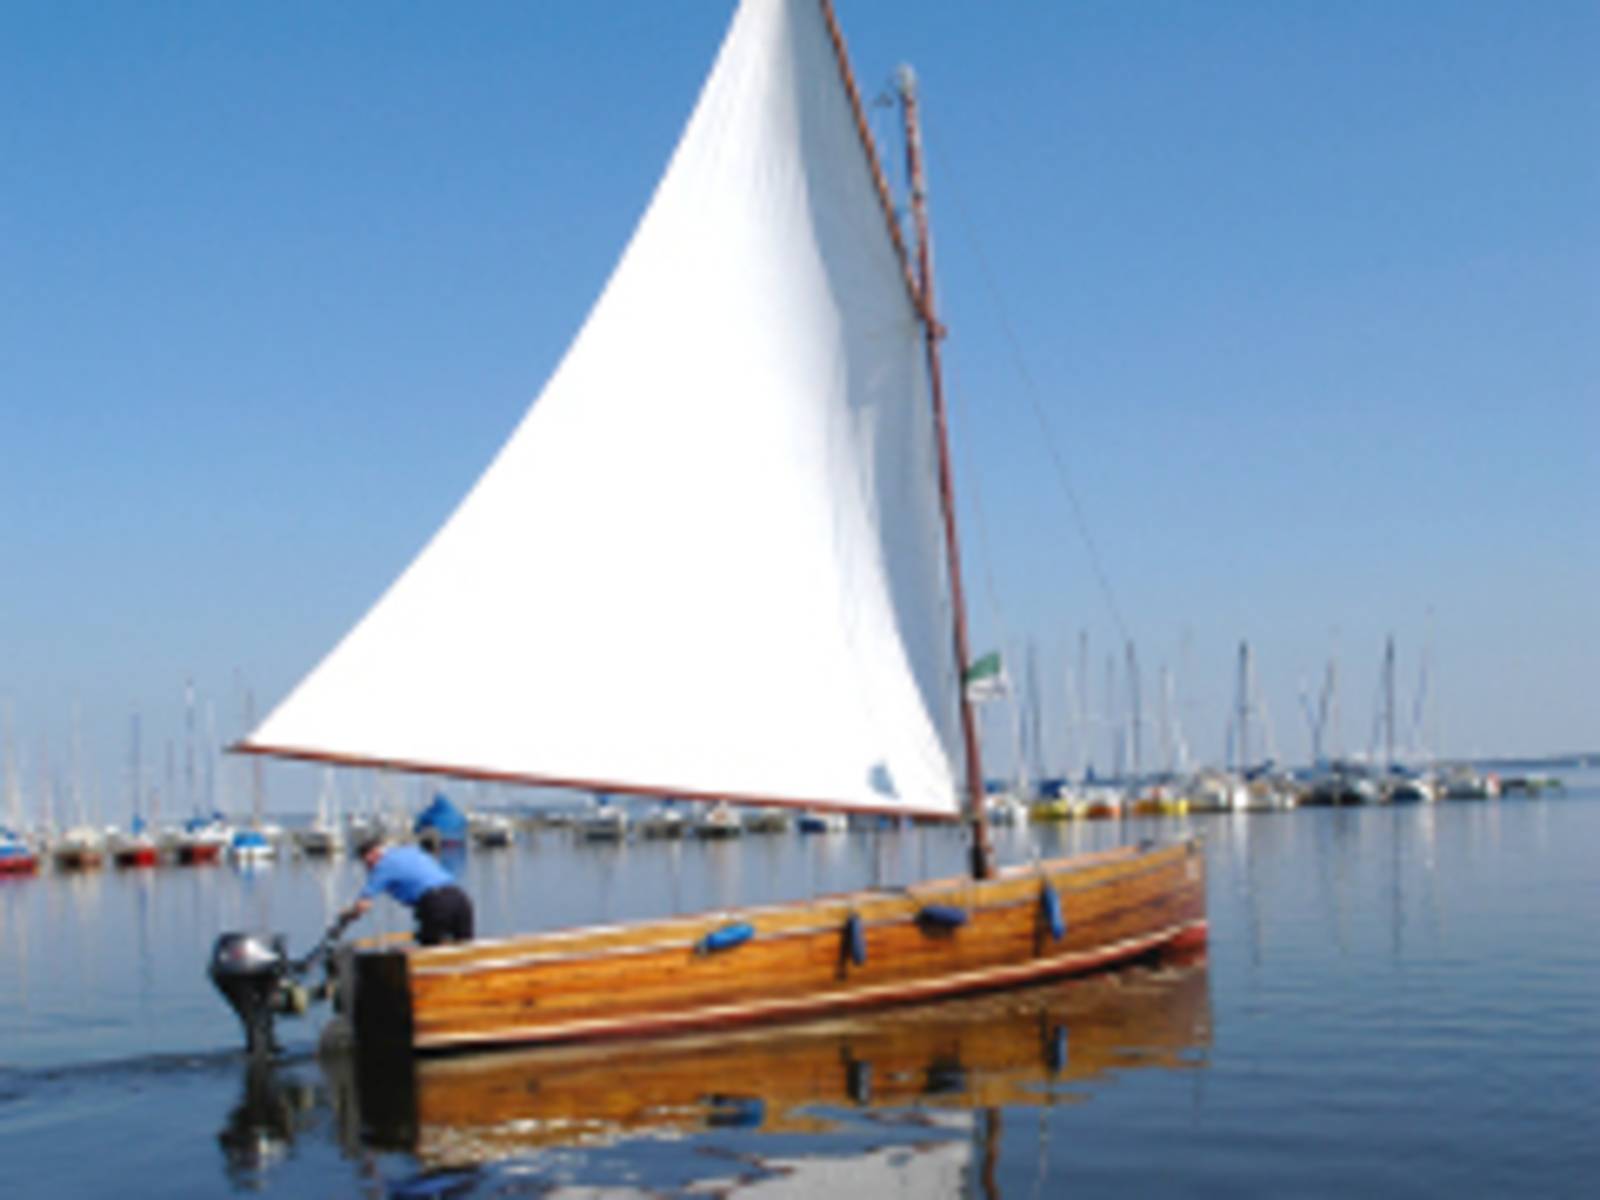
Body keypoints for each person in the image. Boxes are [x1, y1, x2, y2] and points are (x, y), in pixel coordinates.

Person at [341, 835, 474, 946]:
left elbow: (363, 904)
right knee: (466, 950)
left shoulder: (383, 865)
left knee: (427, 955)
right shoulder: (410, 851)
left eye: (367, 863)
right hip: (460, 898)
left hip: (436, 903)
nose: (367, 868)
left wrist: (348, 915)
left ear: (373, 855)